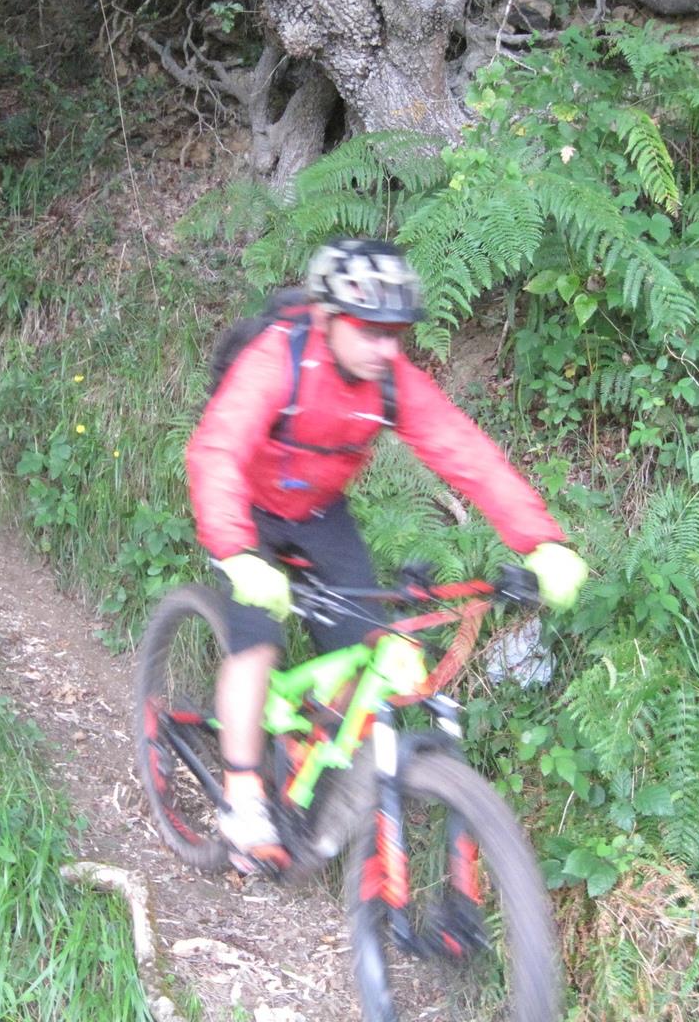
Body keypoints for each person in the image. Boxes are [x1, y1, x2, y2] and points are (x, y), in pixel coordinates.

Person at [185, 237, 588, 868]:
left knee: (362, 650)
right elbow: (217, 450)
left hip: (321, 513)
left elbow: (465, 452)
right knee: (256, 642)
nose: (386, 348)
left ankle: (310, 765)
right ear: (328, 318)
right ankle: (242, 797)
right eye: (370, 331)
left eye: (395, 333)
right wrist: (236, 552)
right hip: (248, 513)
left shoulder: (391, 382)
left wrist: (541, 540)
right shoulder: (278, 360)